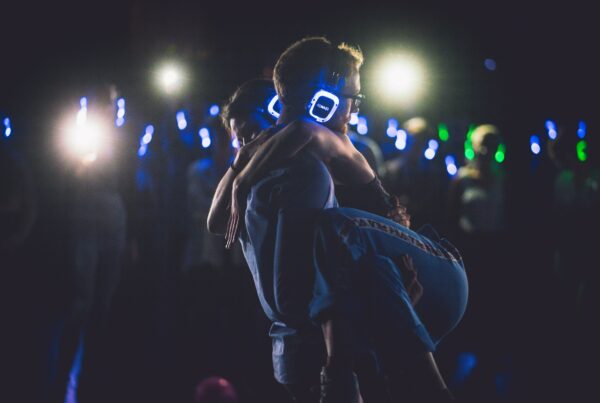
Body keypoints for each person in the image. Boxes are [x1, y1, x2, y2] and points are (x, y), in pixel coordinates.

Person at [211, 37, 467, 403]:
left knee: (335, 227)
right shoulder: (283, 147)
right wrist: (240, 166)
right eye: (353, 98)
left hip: (434, 267)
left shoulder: (328, 140)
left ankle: (343, 368)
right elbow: (215, 222)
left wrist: (243, 178)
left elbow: (301, 130)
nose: (356, 109)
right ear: (324, 98)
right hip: (385, 278)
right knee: (357, 256)